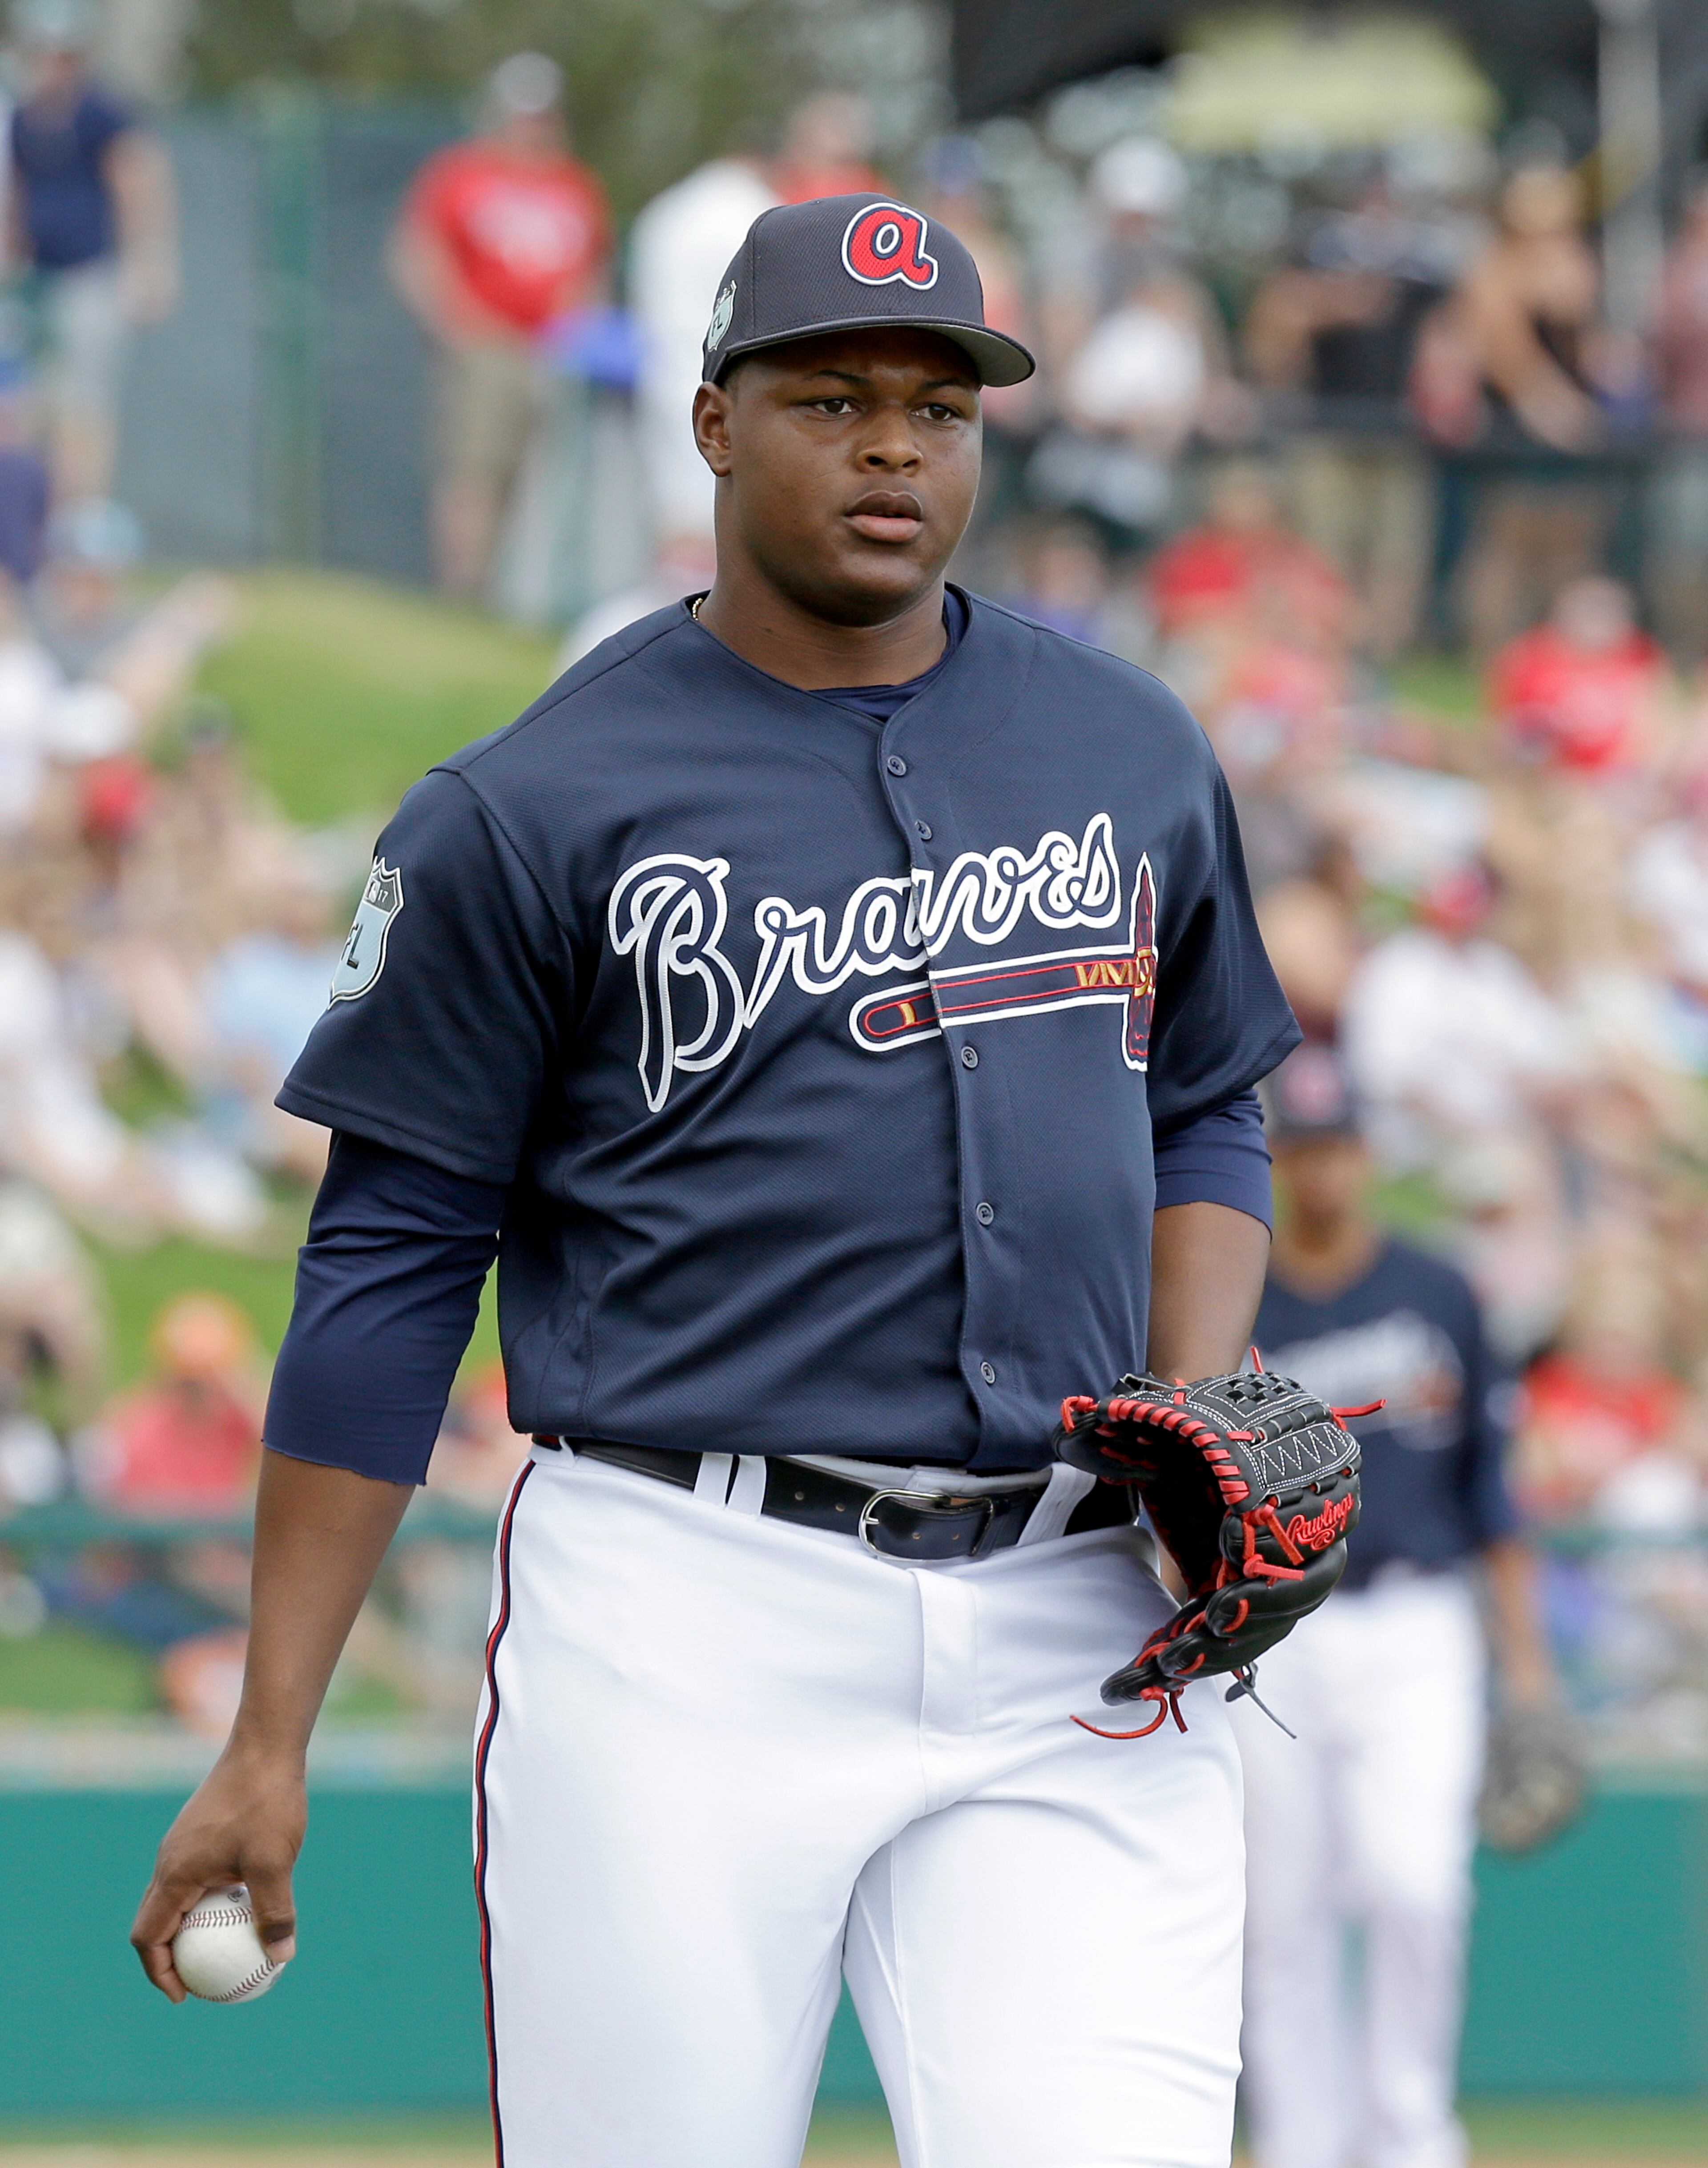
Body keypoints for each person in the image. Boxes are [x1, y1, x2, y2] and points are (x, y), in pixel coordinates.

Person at [130, 192, 1301, 2168]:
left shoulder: (1125, 744)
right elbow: (389, 1267)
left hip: (1077, 1607)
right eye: (831, 394)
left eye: (938, 407)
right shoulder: (531, 805)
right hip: (687, 1606)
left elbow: (1206, 1102)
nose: (890, 446)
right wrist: (271, 1727)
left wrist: (1195, 1394)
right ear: (708, 423)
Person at [1237, 1043, 1557, 2168]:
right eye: (1303, 1147)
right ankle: (1302, 2144)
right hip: (1275, 1629)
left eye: (1339, 1145)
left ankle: (1408, 2133)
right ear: (1274, 1158)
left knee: (1414, 1880)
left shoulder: (1437, 1290)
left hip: (1419, 1618)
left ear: (1366, 1154)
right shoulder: (1236, 1299)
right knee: (1280, 1914)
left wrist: (1527, 1673)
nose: (1323, 1170)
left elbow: (1492, 1497)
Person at [389, 52, 612, 595]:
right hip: (484, 345)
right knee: (475, 471)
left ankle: (515, 593)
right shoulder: (462, 175)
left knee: (533, 479)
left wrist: (575, 329)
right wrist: (458, 326)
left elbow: (592, 268)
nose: (531, 128)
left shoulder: (573, 184)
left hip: (552, 350)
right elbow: (417, 255)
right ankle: (465, 589)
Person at [1244, 167, 1457, 660]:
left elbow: (1449, 335)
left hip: (1399, 431)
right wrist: (1338, 304)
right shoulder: (1317, 253)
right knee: (1325, 551)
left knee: (1398, 555)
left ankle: (1382, 659)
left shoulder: (1424, 264)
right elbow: (1275, 330)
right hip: (1326, 429)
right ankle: (1325, 656)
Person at [6, 0, 178, 502]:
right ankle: (42, 525)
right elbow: (18, 196)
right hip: (38, 282)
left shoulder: (102, 112)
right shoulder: (24, 117)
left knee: (87, 405)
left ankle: (84, 518)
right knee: (32, 408)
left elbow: (139, 179)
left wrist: (150, 260)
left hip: (91, 274)